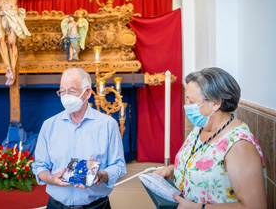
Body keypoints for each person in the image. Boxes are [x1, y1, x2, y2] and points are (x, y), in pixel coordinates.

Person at [154, 67, 267, 208]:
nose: (186, 106)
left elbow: (255, 206)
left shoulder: (239, 146)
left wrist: (198, 207)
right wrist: (173, 171)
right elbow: (201, 167)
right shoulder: (200, 128)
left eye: (191, 101)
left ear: (216, 103)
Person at [32, 67, 126, 209]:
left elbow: (119, 166)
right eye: (62, 91)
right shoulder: (49, 126)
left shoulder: (108, 125)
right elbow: (40, 166)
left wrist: (100, 176)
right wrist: (51, 178)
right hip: (56, 205)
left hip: (96, 206)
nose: (65, 96)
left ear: (87, 92)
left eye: (71, 91)